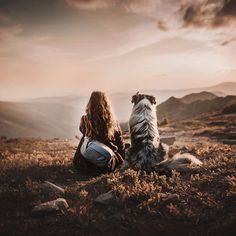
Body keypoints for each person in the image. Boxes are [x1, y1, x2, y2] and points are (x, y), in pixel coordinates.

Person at [73, 91, 125, 175]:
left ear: (90, 104)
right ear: (106, 104)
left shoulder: (85, 119)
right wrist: (122, 159)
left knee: (85, 138)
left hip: (85, 164)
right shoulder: (113, 122)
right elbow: (120, 142)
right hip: (107, 164)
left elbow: (81, 130)